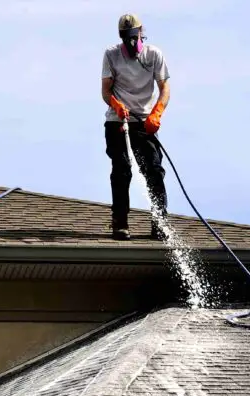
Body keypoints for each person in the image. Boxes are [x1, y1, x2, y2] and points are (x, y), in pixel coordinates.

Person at [101, 13, 171, 240]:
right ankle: (120, 222)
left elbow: (165, 88)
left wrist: (156, 113)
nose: (131, 42)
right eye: (126, 37)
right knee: (122, 169)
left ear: (140, 33)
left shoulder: (154, 55)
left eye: (134, 36)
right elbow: (105, 90)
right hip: (118, 121)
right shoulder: (111, 55)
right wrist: (116, 104)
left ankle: (160, 222)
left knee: (154, 169)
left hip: (145, 121)